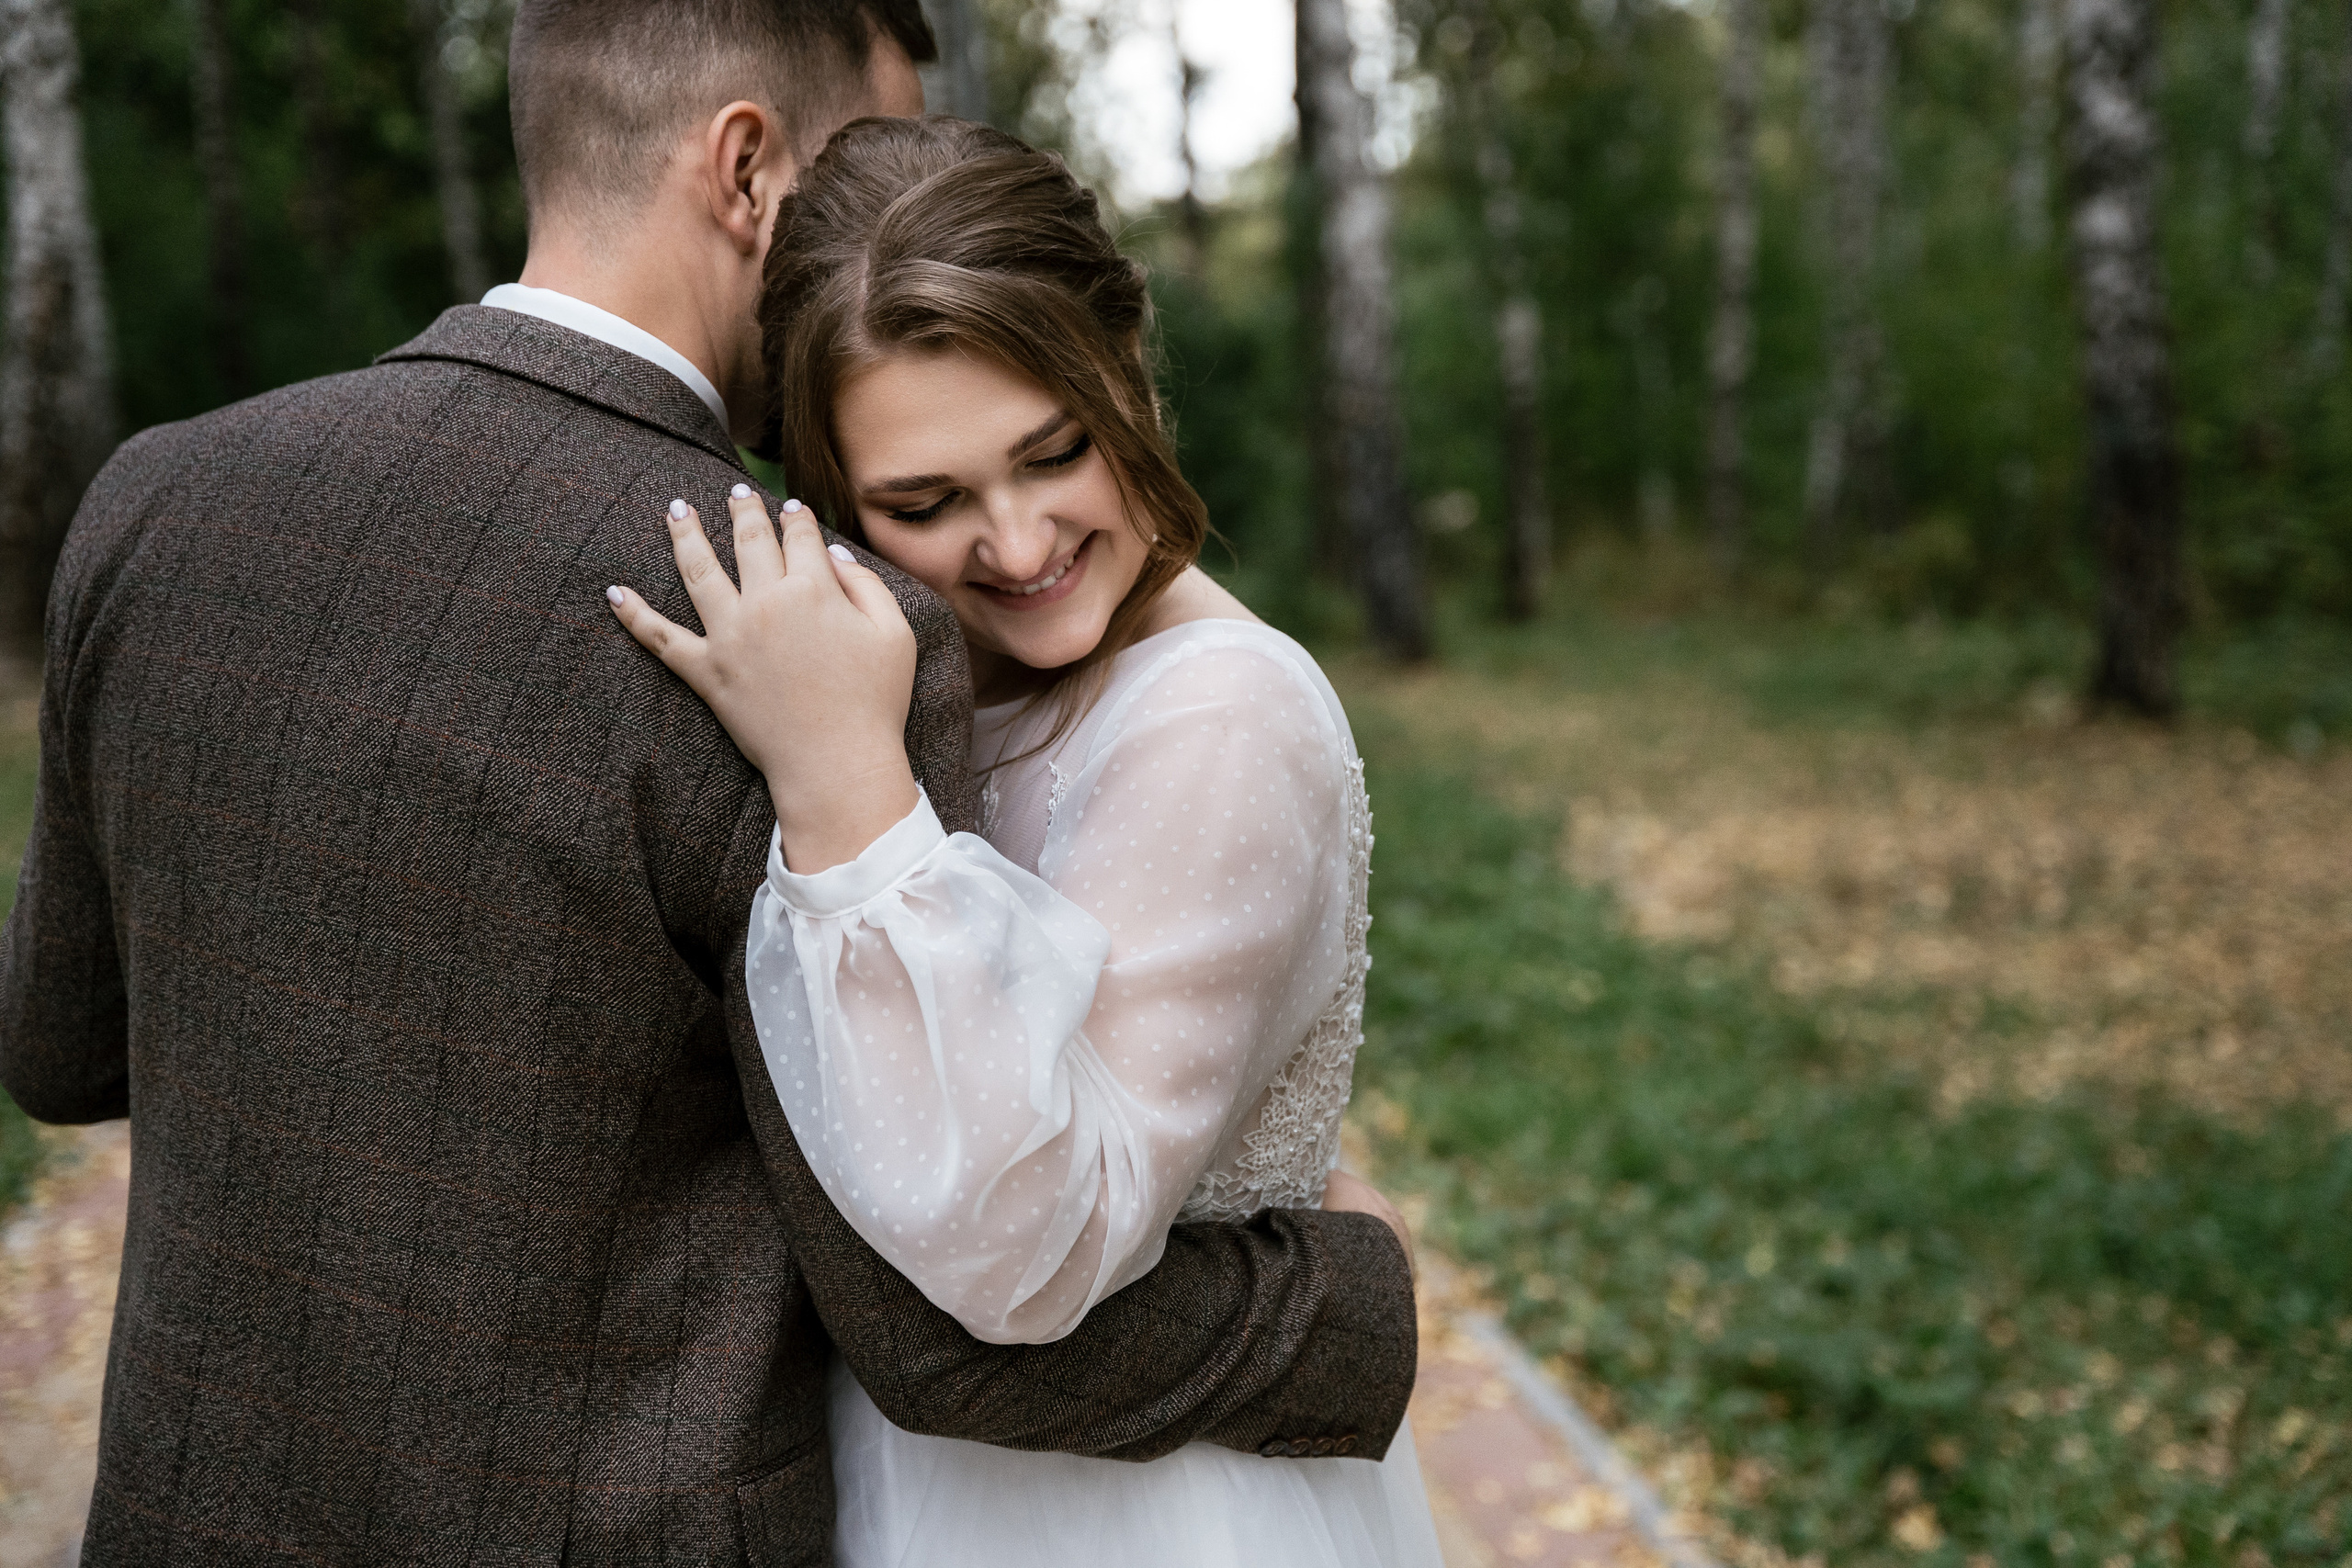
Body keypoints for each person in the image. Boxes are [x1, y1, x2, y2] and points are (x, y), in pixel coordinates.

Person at [0, 5, 1416, 1563]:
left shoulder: (156, 502)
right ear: (749, 170)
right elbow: (942, 1333)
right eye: (858, 165)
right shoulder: (784, 621)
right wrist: (1346, 1308)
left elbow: (64, 1053)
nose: (885, 221)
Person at [605, 115, 1446, 1567]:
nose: (1014, 544)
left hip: (1132, 1511)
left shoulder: (1217, 712)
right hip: (917, 1476)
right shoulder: (954, 675)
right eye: (923, 504)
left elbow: (1037, 1249)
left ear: (1127, 366)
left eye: (1053, 453)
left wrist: (844, 790)